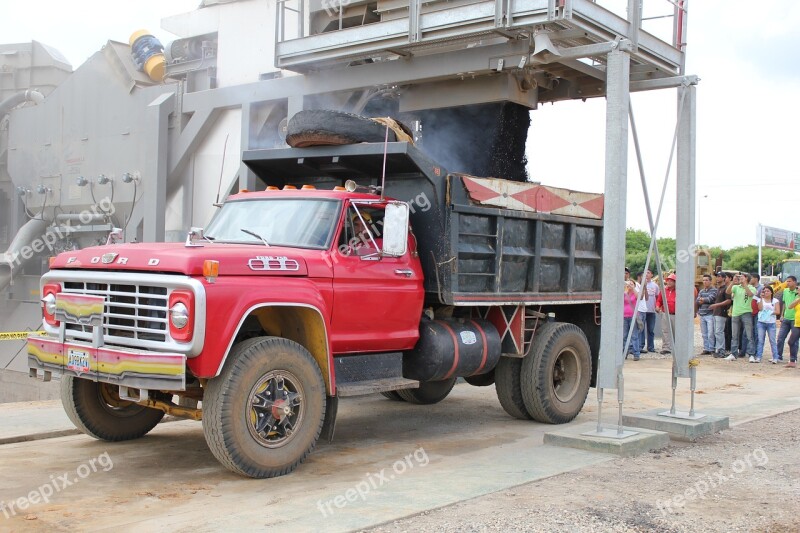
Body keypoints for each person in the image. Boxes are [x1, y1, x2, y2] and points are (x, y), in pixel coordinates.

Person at [726, 273, 756, 361]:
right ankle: (733, 353)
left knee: (749, 334)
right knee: (734, 335)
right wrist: (733, 282)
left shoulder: (751, 287)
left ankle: (751, 354)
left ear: (746, 278)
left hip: (746, 312)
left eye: (742, 277)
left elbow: (750, 294)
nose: (740, 279)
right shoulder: (736, 287)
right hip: (735, 313)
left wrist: (744, 284)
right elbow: (727, 292)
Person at [708, 272, 732, 357]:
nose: (717, 278)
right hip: (716, 312)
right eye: (717, 277)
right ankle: (718, 349)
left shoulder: (726, 288)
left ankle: (721, 349)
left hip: (722, 312)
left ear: (724, 278)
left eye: (719, 277)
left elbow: (729, 300)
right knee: (716, 332)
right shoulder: (719, 288)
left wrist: (716, 305)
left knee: (719, 332)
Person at [776, 275, 798, 362]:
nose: (787, 283)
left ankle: (793, 358)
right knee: (780, 338)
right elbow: (784, 304)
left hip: (795, 319)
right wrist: (782, 315)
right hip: (786, 318)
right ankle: (778, 356)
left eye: (789, 281)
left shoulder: (798, 292)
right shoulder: (785, 291)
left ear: (794, 282)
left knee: (794, 340)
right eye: (787, 281)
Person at [755, 285, 780, 364]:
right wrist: (761, 298)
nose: (766, 292)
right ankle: (758, 356)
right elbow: (760, 308)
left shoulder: (775, 301)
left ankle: (775, 357)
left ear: (771, 292)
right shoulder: (760, 300)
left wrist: (769, 312)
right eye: (764, 291)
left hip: (771, 322)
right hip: (761, 322)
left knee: (772, 340)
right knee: (760, 340)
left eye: (767, 291)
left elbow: (777, 311)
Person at [695, 274, 717, 355]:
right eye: (703, 280)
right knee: (704, 333)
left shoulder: (714, 290)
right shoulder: (701, 291)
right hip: (702, 314)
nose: (704, 282)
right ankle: (706, 348)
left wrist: (703, 300)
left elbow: (711, 299)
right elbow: (697, 300)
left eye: (706, 280)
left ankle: (711, 348)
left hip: (710, 314)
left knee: (711, 333)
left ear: (710, 281)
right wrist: (703, 300)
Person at [656, 273, 677, 354]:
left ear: (675, 282)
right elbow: (659, 300)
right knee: (665, 330)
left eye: (671, 281)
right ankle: (666, 347)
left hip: (675, 314)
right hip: (665, 313)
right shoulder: (664, 291)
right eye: (668, 281)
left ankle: (675, 347)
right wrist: (657, 306)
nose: (669, 282)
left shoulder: (678, 291)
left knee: (675, 331)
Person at [623, 279, 641, 361]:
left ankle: (636, 354)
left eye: (631, 284)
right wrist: (626, 290)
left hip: (633, 316)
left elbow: (639, 297)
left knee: (634, 336)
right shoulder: (624, 293)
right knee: (624, 336)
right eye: (628, 283)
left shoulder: (635, 293)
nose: (629, 285)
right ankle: (624, 353)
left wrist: (633, 289)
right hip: (624, 316)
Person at [642, 270, 659, 353]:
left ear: (652, 275)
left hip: (651, 311)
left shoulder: (655, 286)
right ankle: (640, 346)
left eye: (648, 273)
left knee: (651, 330)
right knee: (641, 329)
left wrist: (657, 306)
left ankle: (651, 347)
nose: (647, 275)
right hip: (642, 310)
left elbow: (658, 297)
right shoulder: (640, 285)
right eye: (645, 273)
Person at [786, 293, 800, 368]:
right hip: (797, 324)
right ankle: (792, 361)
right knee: (791, 341)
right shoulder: (797, 300)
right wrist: (798, 299)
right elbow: (790, 306)